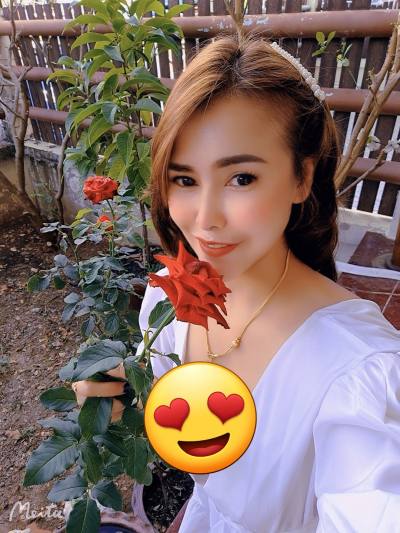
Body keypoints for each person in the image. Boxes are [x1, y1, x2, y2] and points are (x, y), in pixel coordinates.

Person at [73, 30, 400, 532]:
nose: (205, 219)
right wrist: (125, 392)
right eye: (185, 179)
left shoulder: (359, 374)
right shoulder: (167, 300)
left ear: (301, 178)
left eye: (241, 178)